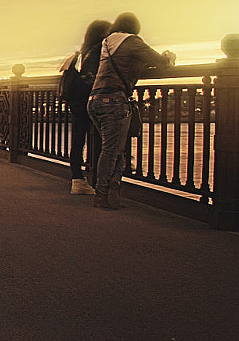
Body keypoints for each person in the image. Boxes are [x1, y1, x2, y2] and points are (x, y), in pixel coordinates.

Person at [87, 12, 175, 209]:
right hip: (114, 101)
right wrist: (169, 57)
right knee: (112, 150)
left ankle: (113, 188)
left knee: (115, 149)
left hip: (94, 101)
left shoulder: (107, 42)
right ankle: (101, 193)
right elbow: (159, 61)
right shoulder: (132, 42)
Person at [59, 19, 110, 194]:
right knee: (106, 136)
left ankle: (77, 179)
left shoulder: (82, 52)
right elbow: (94, 75)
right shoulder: (100, 50)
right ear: (101, 33)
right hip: (91, 98)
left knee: (79, 139)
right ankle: (106, 177)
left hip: (76, 98)